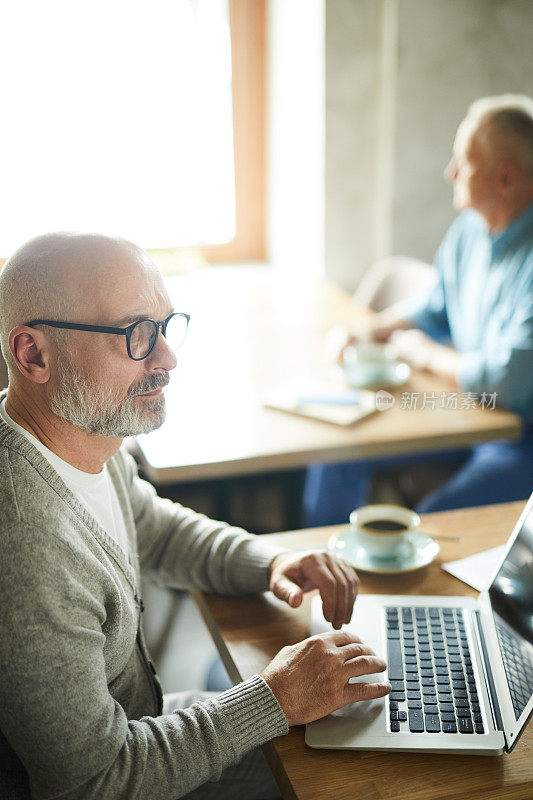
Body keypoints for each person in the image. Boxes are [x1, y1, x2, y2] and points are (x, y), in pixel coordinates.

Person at [0, 232, 391, 800]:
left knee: (352, 732)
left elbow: (151, 527)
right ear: (33, 354)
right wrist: (275, 697)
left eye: (165, 326)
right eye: (135, 334)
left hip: (141, 723)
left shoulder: (81, 438)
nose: (167, 357)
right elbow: (94, 782)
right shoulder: (26, 553)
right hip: (122, 769)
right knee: (354, 780)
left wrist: (270, 560)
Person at [304, 94, 533, 527]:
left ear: (504, 178)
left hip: (519, 439)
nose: (450, 173)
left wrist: (425, 354)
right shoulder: (470, 227)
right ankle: (324, 571)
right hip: (464, 410)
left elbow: (509, 382)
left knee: (427, 526)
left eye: (463, 163)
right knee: (338, 448)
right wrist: (367, 331)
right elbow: (435, 307)